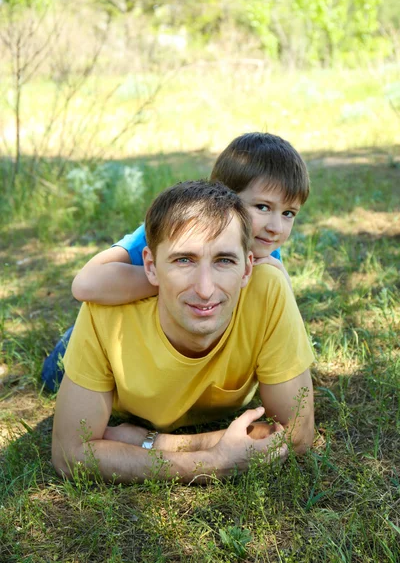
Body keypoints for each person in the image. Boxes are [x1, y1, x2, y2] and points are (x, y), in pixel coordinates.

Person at [51, 180, 314, 484]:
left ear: (247, 268)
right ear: (150, 266)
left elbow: (296, 433)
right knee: (55, 369)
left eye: (224, 260)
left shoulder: (268, 289)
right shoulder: (104, 311)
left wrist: (150, 441)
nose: (205, 290)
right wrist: (212, 462)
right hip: (97, 348)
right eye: (184, 260)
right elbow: (70, 454)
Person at [42, 132, 309, 390]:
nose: (276, 226)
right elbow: (85, 285)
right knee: (55, 377)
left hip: (168, 363)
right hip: (112, 344)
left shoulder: (264, 251)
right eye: (263, 207)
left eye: (288, 213)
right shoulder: (174, 231)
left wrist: (280, 286)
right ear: (222, 195)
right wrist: (172, 279)